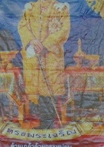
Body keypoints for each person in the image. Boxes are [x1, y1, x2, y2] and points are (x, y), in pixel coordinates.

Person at [17, 0, 71, 129]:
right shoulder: (30, 8)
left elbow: (64, 30)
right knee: (36, 90)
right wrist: (32, 40)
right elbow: (23, 26)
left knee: (49, 89)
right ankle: (42, 122)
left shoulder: (61, 9)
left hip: (51, 57)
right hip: (34, 57)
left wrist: (45, 45)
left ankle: (49, 123)